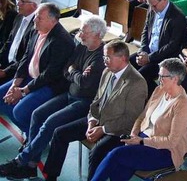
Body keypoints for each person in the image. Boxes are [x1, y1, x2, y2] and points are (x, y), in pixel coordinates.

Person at [0, 16, 107, 179]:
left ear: (97, 35)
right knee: (37, 114)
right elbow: (66, 70)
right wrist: (74, 72)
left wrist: (73, 71)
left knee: (50, 123)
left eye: (84, 31)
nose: (80, 34)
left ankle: (22, 160)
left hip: (84, 102)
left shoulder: (100, 57)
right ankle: (30, 165)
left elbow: (85, 83)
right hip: (70, 94)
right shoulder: (81, 47)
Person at [41, 40, 147, 181]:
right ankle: (51, 177)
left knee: (97, 152)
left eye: (107, 57)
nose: (104, 61)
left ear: (122, 58)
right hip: (98, 120)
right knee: (60, 133)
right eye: (104, 57)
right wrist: (91, 122)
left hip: (119, 130)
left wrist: (103, 129)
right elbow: (97, 101)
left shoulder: (136, 82)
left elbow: (130, 119)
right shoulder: (107, 72)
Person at [91, 58, 187, 181]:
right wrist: (134, 133)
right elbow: (142, 116)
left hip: (165, 151)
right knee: (119, 166)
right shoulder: (159, 90)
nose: (158, 79)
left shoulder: (183, 106)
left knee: (115, 154)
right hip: (143, 138)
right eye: (159, 75)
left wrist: (140, 141)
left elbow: (172, 141)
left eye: (162, 76)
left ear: (175, 79)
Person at [0, 3, 75, 136]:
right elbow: (25, 58)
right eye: (35, 16)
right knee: (2, 96)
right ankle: (31, 134)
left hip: (49, 84)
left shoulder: (62, 41)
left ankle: (33, 140)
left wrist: (23, 91)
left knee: (20, 111)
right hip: (32, 75)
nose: (35, 20)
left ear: (53, 21)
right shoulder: (35, 30)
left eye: (39, 18)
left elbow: (49, 74)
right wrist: (14, 84)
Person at [131, 0, 187, 96]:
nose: (152, 9)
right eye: (150, 6)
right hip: (149, 52)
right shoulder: (152, 9)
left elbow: (173, 46)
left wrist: (150, 58)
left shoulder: (177, 17)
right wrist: (143, 51)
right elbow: (146, 30)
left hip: (163, 57)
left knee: (139, 76)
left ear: (164, 0)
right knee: (127, 63)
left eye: (154, 5)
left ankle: (156, 97)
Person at [0, 0, 40, 82]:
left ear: (34, 5)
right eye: (18, 0)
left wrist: (5, 72)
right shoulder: (19, 17)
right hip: (7, 63)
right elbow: (9, 42)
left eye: (22, 2)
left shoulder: (37, 26)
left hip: (19, 71)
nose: (18, 4)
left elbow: (28, 57)